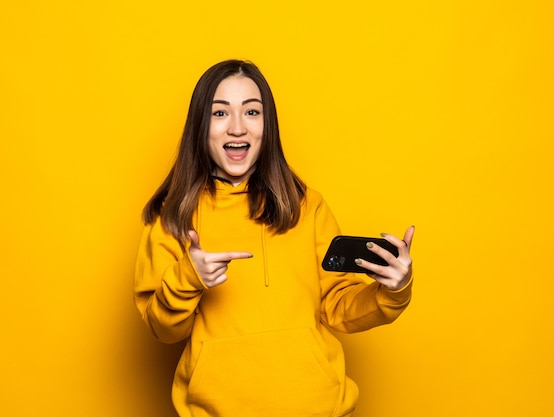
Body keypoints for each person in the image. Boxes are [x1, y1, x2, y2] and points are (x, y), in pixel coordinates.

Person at [134, 59, 415, 417]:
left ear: (268, 126)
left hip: (318, 409)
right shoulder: (172, 214)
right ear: (200, 126)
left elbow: (338, 306)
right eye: (220, 114)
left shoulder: (306, 206)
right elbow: (162, 328)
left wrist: (392, 290)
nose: (237, 127)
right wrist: (190, 277)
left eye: (252, 112)